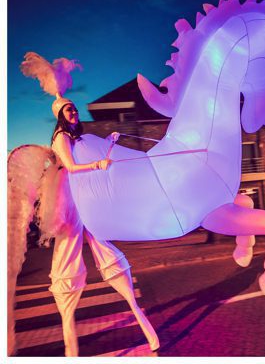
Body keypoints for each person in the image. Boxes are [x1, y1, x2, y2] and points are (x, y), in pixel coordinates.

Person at [49, 99, 160, 355]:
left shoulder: (77, 137)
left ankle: (144, 325)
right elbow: (72, 167)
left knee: (106, 250)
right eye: (69, 109)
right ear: (60, 115)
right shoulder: (61, 137)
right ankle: (70, 349)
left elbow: (93, 155)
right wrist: (97, 165)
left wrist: (109, 141)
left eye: (75, 108)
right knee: (67, 264)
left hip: (85, 198)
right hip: (71, 202)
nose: (74, 112)